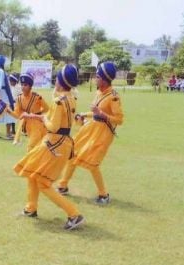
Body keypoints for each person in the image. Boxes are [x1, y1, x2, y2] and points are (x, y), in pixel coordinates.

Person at [11, 64, 85, 230]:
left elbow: (52, 126)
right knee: (32, 172)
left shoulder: (59, 101)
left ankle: (74, 214)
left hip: (55, 142)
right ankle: (31, 208)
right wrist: (36, 116)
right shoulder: (71, 98)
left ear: (61, 81)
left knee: (43, 183)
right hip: (59, 142)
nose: (55, 81)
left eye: (57, 78)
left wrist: (43, 119)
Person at [57, 61, 124, 205]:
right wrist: (84, 115)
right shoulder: (99, 92)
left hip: (103, 134)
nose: (95, 79)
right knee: (72, 154)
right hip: (90, 129)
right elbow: (95, 113)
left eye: (97, 77)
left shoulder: (113, 97)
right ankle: (62, 185)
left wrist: (101, 113)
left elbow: (119, 119)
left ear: (105, 79)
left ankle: (103, 194)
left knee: (93, 163)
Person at [9, 73, 50, 150]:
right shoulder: (19, 98)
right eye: (22, 84)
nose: (23, 87)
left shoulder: (37, 97)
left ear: (30, 86)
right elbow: (17, 115)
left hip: (37, 125)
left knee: (31, 148)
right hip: (27, 127)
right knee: (39, 149)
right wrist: (8, 111)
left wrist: (38, 114)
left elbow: (47, 109)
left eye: (25, 85)